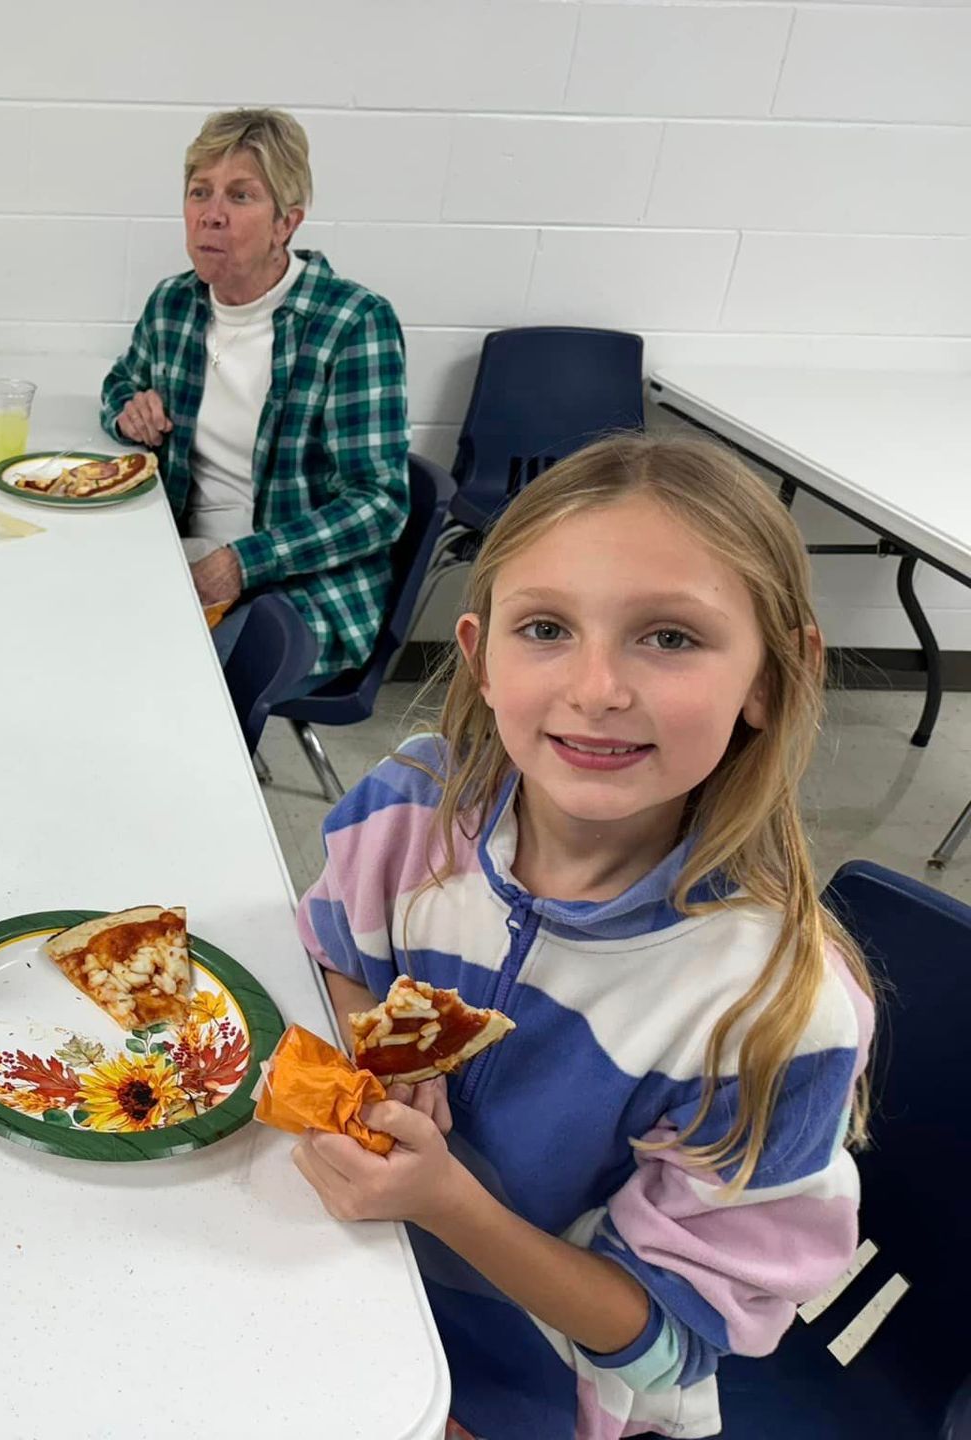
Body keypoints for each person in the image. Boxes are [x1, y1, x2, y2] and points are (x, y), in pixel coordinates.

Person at [290, 434, 875, 1439]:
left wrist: (446, 1201)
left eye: (671, 637)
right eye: (546, 627)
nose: (598, 688)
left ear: (772, 679)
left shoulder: (769, 1012)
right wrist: (381, 1046)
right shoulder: (411, 807)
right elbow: (333, 954)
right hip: (339, 1274)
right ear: (479, 656)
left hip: (527, 1381)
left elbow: (667, 1346)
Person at [100, 107, 409, 686]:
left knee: (158, 679)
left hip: (302, 589)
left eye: (240, 196)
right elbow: (120, 383)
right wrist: (128, 411)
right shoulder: (173, 304)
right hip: (184, 556)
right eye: (200, 192)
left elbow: (379, 504)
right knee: (74, 625)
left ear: (286, 223)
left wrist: (242, 564)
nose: (211, 214)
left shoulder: (351, 322)